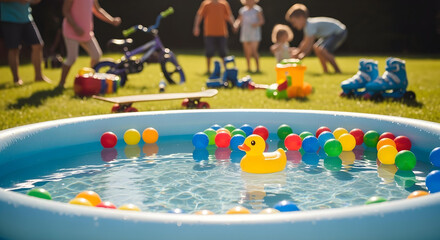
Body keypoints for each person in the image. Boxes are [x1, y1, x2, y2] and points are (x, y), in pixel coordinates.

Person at [58, 0, 121, 88]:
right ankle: (61, 83)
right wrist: (75, 27)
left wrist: (112, 20)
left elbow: (97, 10)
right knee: (72, 58)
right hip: (71, 31)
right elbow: (66, 11)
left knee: (96, 55)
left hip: (86, 33)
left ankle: (91, 80)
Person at [0, 0, 51, 86]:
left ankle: (38, 76)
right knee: (14, 49)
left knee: (38, 45)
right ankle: (16, 79)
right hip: (10, 19)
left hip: (27, 18)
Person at [285, 3, 347, 73]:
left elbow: (309, 44)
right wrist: (298, 52)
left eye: (294, 22)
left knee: (323, 50)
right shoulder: (307, 26)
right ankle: (326, 70)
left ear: (301, 18)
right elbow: (305, 42)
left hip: (338, 32)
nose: (294, 25)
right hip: (330, 35)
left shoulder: (310, 25)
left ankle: (337, 70)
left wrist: (301, 55)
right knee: (317, 48)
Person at [193, 0, 235, 74]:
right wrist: (196, 27)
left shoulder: (224, 4)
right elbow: (199, 15)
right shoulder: (206, 4)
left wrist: (233, 25)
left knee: (223, 52)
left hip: (222, 33)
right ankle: (208, 70)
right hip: (209, 33)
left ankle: (225, 69)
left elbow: (229, 15)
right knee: (209, 52)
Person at [233, 0, 264, 73]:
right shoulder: (242, 10)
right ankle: (249, 68)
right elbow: (239, 20)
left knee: (254, 51)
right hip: (245, 33)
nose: (249, 2)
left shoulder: (257, 9)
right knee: (247, 52)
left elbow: (262, 20)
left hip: (254, 33)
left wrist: (256, 24)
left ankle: (257, 68)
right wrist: (236, 25)